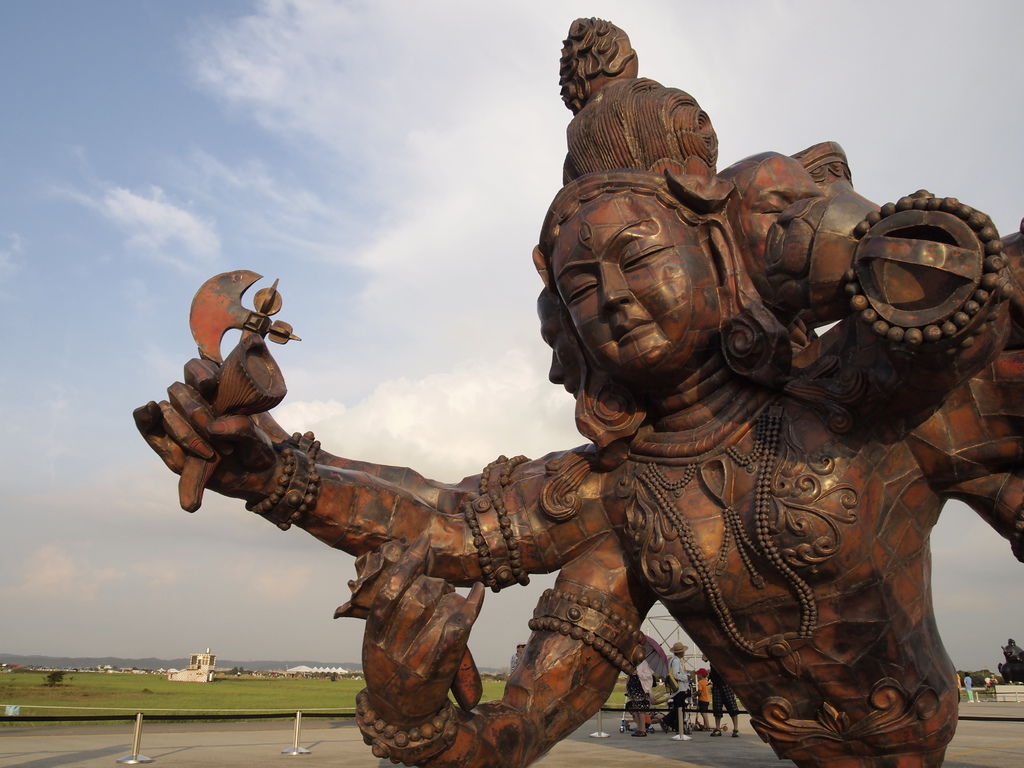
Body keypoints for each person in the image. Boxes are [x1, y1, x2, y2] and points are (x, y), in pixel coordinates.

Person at [135, 18, 1024, 768]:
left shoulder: (860, 405)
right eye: (582, 286)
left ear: (719, 252)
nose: (615, 298)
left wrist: (893, 263)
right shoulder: (626, 500)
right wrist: (271, 475)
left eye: (639, 256)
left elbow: (974, 304)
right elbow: (456, 534)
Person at [658, 641, 692, 737]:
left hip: (677, 688)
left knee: (678, 708)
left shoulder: (672, 660)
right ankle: (668, 721)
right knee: (679, 708)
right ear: (681, 652)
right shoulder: (676, 661)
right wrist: (686, 677)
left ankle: (677, 727)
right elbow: (676, 674)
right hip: (680, 688)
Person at [709, 664, 740, 738]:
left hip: (726, 683)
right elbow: (704, 658)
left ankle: (735, 729)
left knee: (732, 706)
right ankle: (717, 728)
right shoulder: (712, 658)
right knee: (717, 707)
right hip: (717, 684)